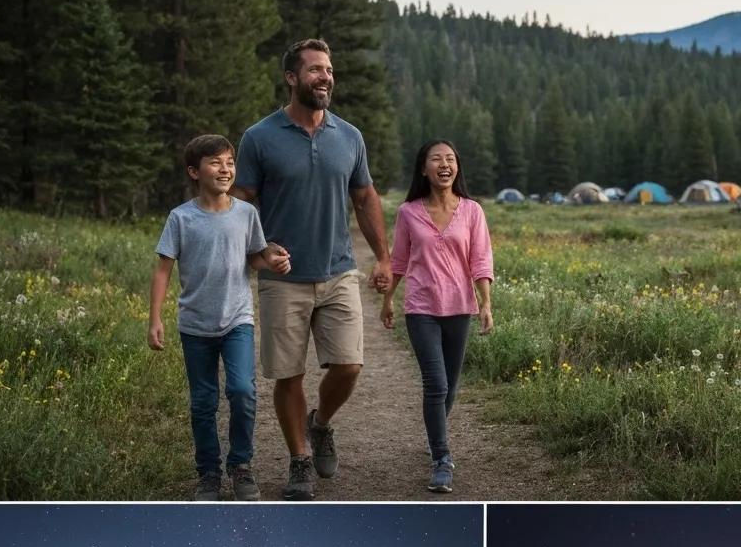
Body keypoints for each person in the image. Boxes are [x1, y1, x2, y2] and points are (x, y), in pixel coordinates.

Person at [233, 38, 391, 501]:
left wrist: (382, 256)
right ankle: (299, 459)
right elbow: (240, 202)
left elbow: (364, 197)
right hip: (283, 279)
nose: (325, 78)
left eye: (329, 70)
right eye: (316, 70)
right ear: (291, 78)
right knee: (288, 376)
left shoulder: (350, 136)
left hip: (338, 271)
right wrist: (258, 254)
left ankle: (319, 423)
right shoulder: (259, 137)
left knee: (350, 365)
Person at [149, 134, 292, 502]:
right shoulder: (181, 218)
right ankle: (208, 474)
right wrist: (155, 319)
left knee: (243, 391)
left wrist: (272, 261)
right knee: (203, 401)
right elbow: (163, 269)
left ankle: (241, 466)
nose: (225, 168)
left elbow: (256, 257)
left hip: (237, 320)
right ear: (194, 172)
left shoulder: (246, 213)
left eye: (229, 161)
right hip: (194, 324)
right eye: (215, 162)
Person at [380, 139, 494, 493]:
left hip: (460, 306)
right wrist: (388, 300)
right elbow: (398, 261)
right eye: (436, 159)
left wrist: (486, 303)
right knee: (437, 383)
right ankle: (442, 458)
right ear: (423, 169)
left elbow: (481, 260)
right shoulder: (409, 212)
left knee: (452, 387)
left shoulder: (472, 211)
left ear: (457, 167)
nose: (444, 164)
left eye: (450, 159)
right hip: (422, 308)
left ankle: (435, 434)